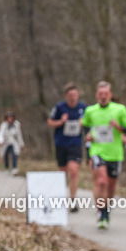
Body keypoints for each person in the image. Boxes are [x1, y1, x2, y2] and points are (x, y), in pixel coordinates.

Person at [81, 81, 126, 229]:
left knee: (111, 186)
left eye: (106, 93)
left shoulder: (120, 109)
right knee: (102, 181)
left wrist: (118, 127)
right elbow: (85, 125)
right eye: (100, 94)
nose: (103, 96)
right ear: (96, 95)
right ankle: (102, 212)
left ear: (110, 95)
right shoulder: (90, 111)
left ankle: (106, 209)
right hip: (97, 151)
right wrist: (88, 135)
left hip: (115, 153)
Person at [48, 83, 87, 211]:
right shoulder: (59, 107)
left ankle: (73, 200)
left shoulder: (83, 108)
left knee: (74, 170)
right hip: (61, 144)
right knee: (63, 173)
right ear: (66, 96)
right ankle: (60, 197)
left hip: (75, 143)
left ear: (78, 95)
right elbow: (50, 122)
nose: (73, 98)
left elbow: (89, 123)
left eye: (75, 95)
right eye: (70, 95)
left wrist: (84, 124)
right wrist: (61, 121)